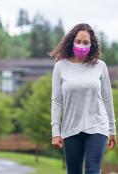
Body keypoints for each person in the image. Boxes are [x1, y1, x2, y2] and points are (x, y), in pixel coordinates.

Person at [49, 23, 116, 174]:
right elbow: (57, 100)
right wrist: (56, 131)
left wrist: (112, 129)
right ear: (72, 41)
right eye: (78, 41)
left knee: (93, 169)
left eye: (85, 42)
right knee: (73, 171)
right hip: (71, 127)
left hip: (97, 126)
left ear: (92, 45)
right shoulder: (60, 67)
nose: (81, 45)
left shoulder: (100, 66)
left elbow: (107, 99)